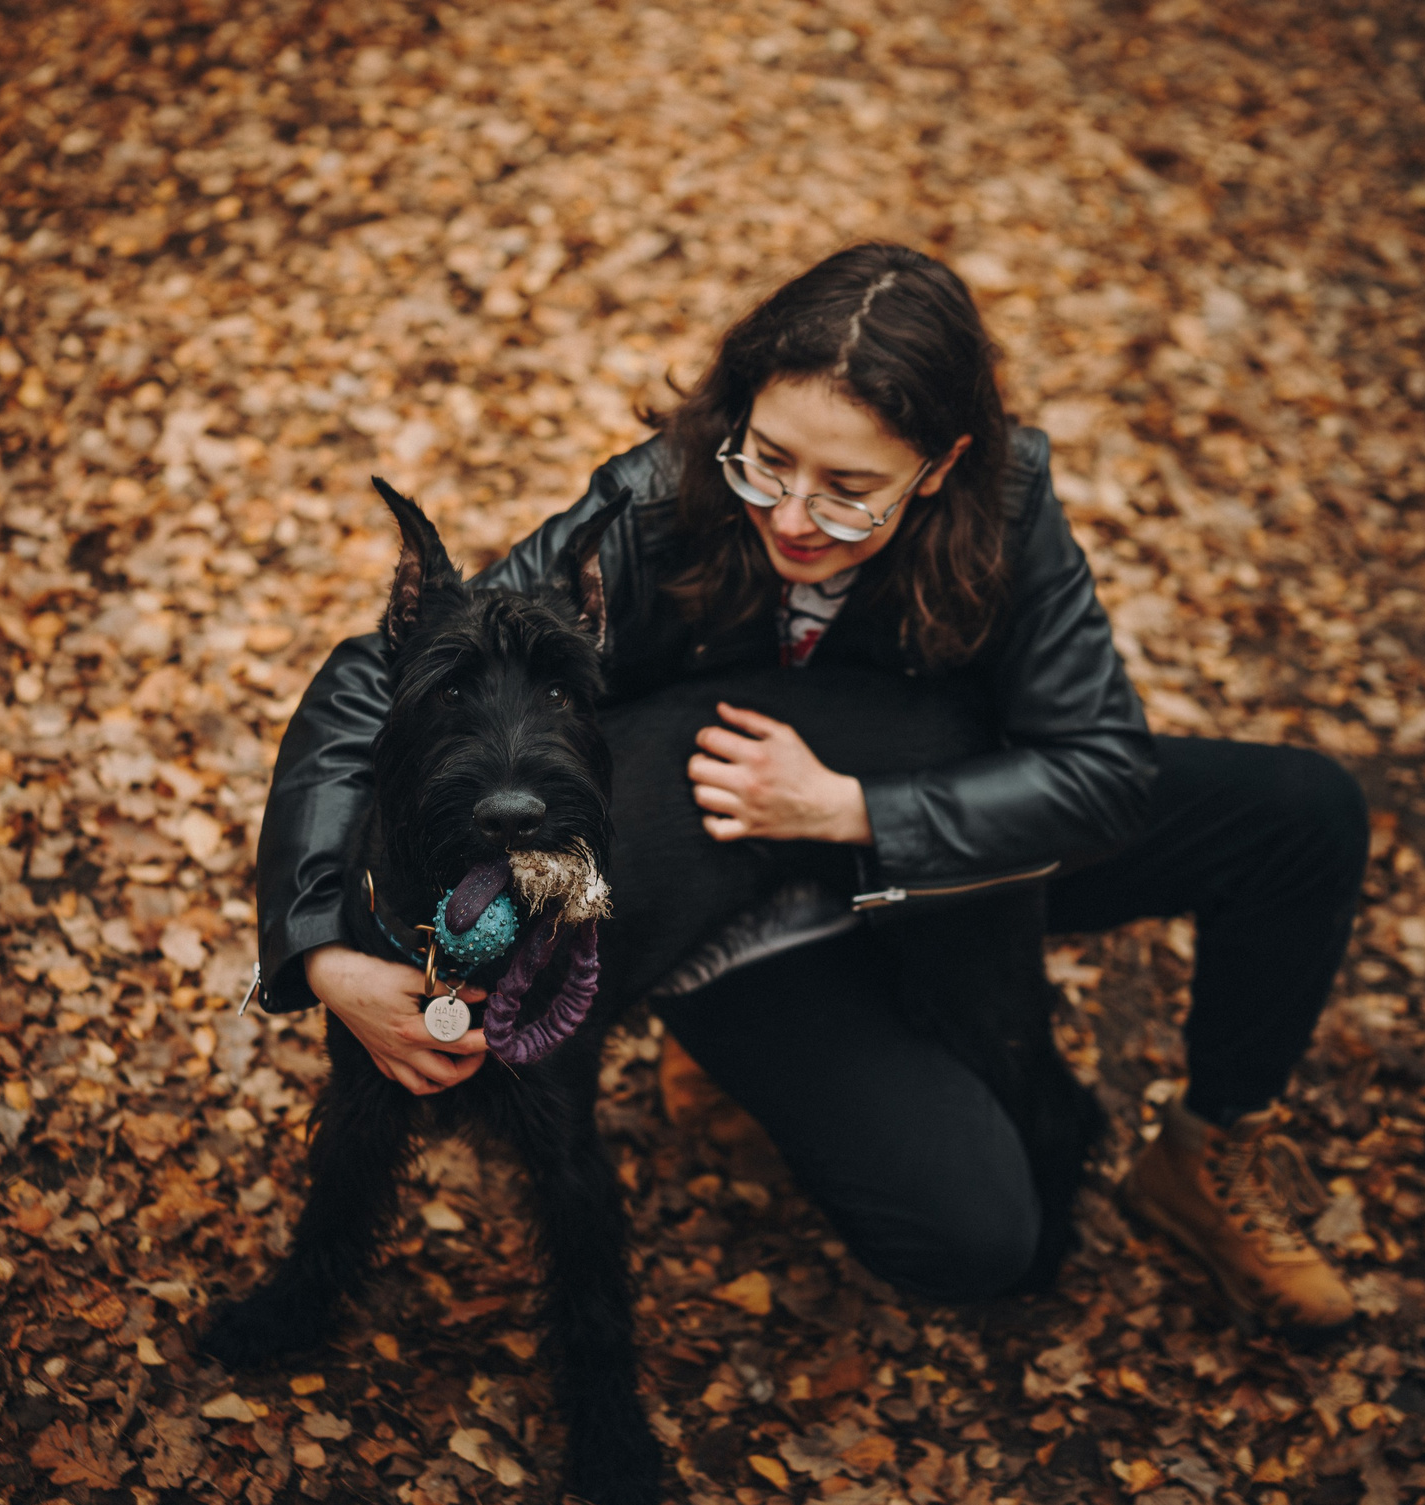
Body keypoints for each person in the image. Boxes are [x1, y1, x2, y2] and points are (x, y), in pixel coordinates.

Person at [253, 243, 1368, 1336]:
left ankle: (1207, 1152)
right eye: (768, 461)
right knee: (980, 1245)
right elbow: (385, 670)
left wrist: (857, 814)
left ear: (938, 467)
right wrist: (320, 945)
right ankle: (758, 1052)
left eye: (849, 491)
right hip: (731, 886)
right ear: (735, 418)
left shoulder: (1009, 500)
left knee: (1300, 815)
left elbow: (1102, 770)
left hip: (938, 835)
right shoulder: (648, 504)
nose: (791, 516)